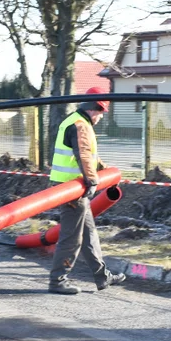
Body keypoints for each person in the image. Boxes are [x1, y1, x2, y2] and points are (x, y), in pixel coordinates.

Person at [46, 86, 126, 295]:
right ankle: (57, 280)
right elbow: (82, 154)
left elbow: (88, 155)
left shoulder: (76, 121)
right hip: (72, 189)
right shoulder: (80, 125)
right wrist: (92, 181)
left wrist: (104, 170)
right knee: (72, 237)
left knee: (89, 233)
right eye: (101, 112)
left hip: (73, 187)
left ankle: (102, 277)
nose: (101, 117)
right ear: (94, 108)